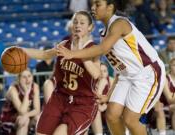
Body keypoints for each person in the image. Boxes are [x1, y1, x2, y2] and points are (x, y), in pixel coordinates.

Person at [57, 0, 166, 135]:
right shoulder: (105, 34)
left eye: (97, 4)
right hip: (127, 76)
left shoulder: (120, 23)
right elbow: (120, 70)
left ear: (110, 7)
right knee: (112, 115)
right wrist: (108, 96)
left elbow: (102, 49)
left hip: (148, 73)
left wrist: (72, 54)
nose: (93, 7)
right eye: (92, 4)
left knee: (130, 120)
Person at [22, 11, 101, 135]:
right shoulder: (64, 44)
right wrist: (21, 50)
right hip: (60, 97)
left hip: (82, 102)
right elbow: (44, 54)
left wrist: (80, 52)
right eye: (75, 22)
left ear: (90, 27)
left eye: (82, 23)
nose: (77, 25)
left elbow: (97, 74)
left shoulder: (93, 49)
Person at [0, 69, 40, 135]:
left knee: (38, 118)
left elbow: (37, 110)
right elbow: (22, 111)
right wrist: (27, 93)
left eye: (29, 76)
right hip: (10, 118)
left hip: (26, 116)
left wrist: (27, 115)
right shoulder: (13, 89)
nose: (27, 79)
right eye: (24, 77)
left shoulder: (35, 87)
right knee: (24, 120)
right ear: (18, 79)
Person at [91, 63, 114, 135]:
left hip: (109, 111)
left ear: (107, 72)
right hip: (95, 113)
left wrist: (106, 106)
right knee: (95, 109)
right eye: (100, 71)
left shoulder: (111, 80)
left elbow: (116, 100)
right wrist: (101, 85)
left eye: (105, 71)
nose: (102, 73)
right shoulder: (91, 82)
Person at [154, 58, 175, 135]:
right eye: (174, 65)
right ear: (170, 67)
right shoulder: (165, 79)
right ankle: (162, 133)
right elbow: (169, 99)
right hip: (162, 104)